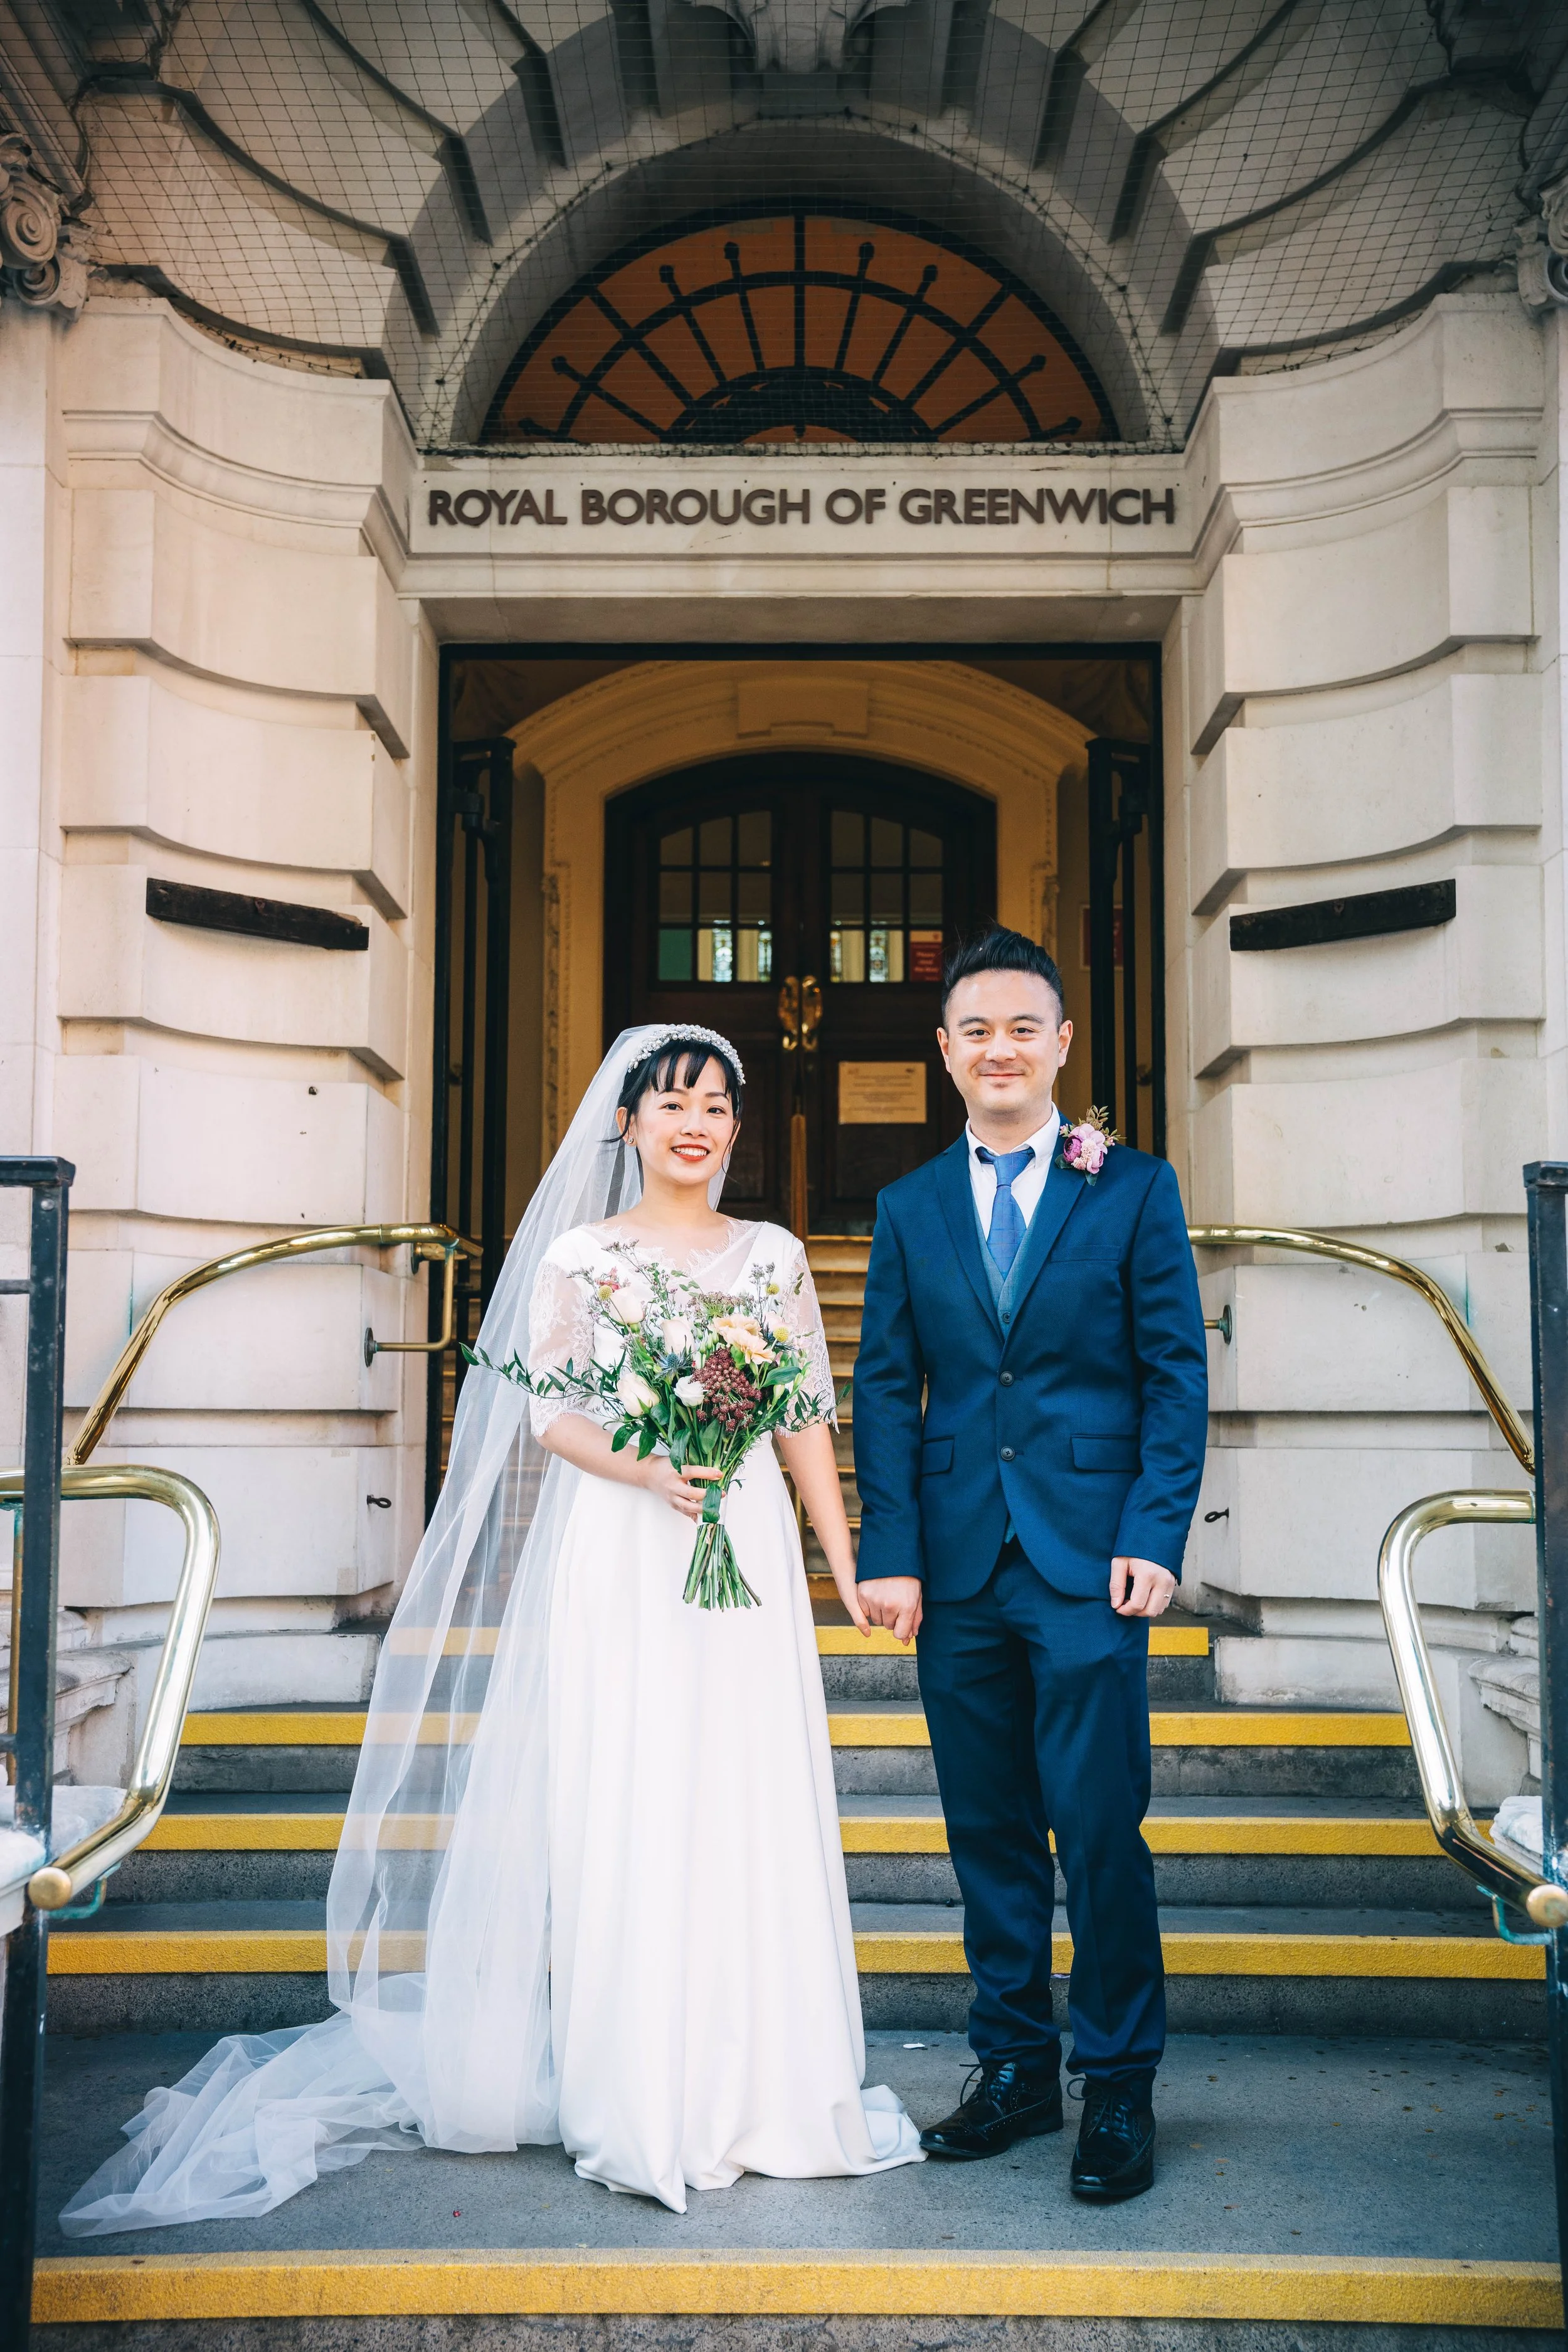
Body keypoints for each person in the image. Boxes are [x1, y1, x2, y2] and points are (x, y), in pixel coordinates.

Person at [61, 1024, 921, 2232]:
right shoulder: (582, 1253)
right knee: (625, 1795)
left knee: (744, 1795)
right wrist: (650, 1459)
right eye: (674, 1103)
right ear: (625, 1124)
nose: (698, 1124)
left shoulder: (774, 1257)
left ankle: (763, 2083)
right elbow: (550, 1421)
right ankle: (637, 2086)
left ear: (736, 1129)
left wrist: (847, 1559)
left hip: (746, 1559)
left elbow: (800, 1424)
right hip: (622, 1546)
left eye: (719, 1107)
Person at [852, 927, 1208, 2203]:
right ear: (943, 1053)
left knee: (1099, 1827)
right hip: (953, 1569)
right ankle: (1012, 2066)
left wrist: (1151, 1537)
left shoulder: (1131, 1188)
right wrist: (885, 1552)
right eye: (973, 1031)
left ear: (1060, 1045)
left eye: (1021, 1028)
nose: (997, 1049)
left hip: (1087, 1562)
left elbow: (1174, 1375)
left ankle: (1116, 2082)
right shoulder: (907, 1207)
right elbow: (886, 1392)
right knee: (987, 1830)